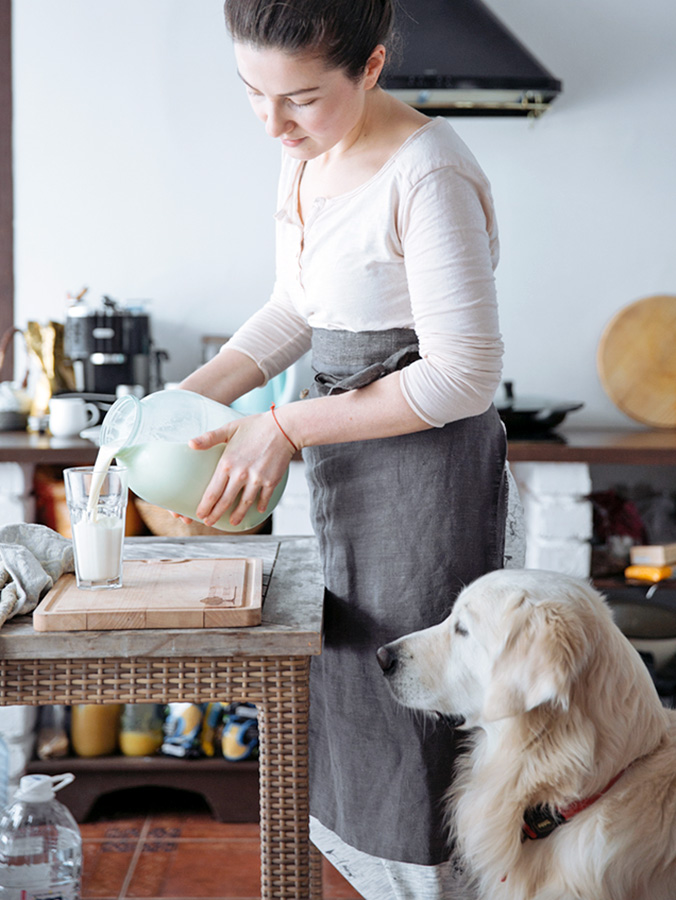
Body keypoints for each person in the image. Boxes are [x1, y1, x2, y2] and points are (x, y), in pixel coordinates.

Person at [180, 1, 524, 896]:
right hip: (347, 467)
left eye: (300, 98)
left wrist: (286, 423)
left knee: (418, 699)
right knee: (350, 678)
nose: (273, 120)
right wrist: (193, 393)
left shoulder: (428, 173)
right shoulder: (307, 158)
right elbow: (302, 304)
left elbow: (461, 377)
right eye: (253, 91)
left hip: (427, 479)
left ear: (370, 67)